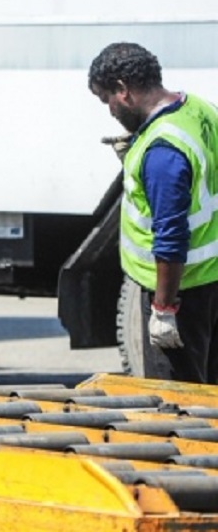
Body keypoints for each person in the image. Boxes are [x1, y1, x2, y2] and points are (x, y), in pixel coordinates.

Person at [88, 42, 218, 383]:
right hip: (211, 280)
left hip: (182, 293)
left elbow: (171, 237)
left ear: (123, 90)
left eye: (108, 100)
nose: (111, 111)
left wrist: (163, 309)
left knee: (181, 402)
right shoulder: (199, 109)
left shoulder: (162, 151)